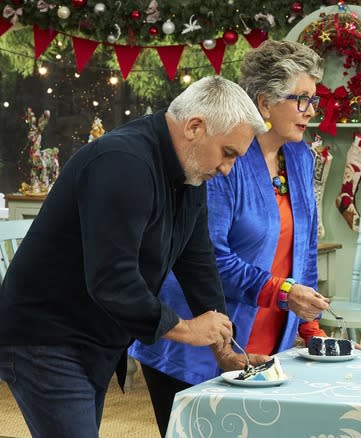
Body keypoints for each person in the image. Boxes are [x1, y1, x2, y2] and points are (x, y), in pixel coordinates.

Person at [0, 76, 266, 438]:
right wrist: (186, 329)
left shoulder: (190, 173)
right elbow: (112, 279)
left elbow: (197, 260)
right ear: (195, 127)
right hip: (45, 335)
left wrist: (224, 349)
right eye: (228, 153)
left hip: (91, 336)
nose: (226, 169)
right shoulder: (122, 162)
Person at [129, 40, 335, 436]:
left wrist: (309, 327)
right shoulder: (221, 159)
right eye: (302, 99)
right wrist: (282, 290)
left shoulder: (301, 156)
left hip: (271, 345)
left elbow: (304, 251)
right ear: (264, 102)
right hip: (198, 340)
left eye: (314, 100)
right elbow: (210, 258)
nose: (311, 111)